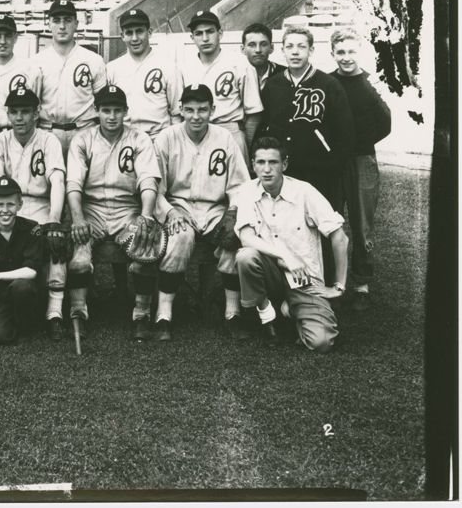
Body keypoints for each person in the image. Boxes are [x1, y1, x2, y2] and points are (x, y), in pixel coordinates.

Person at [152, 85, 250, 341]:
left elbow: (240, 184)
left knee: (234, 237)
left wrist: (233, 213)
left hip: (215, 208)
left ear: (212, 110)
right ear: (181, 110)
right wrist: (170, 212)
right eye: (190, 110)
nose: (196, 116)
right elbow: (154, 187)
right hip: (180, 207)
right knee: (180, 238)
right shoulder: (167, 137)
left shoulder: (225, 138)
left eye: (203, 110)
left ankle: (233, 312)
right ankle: (164, 314)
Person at [232, 137, 349, 352]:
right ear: (253, 165)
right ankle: (267, 314)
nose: (267, 170)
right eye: (260, 162)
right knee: (245, 256)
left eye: (273, 162)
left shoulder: (305, 191)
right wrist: (285, 256)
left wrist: (338, 287)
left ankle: (290, 310)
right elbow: (246, 237)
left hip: (304, 280)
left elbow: (339, 237)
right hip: (271, 275)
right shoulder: (247, 190)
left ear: (284, 164)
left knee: (321, 342)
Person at [66, 85, 160, 338]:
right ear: (96, 111)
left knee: (145, 250)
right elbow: (73, 184)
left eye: (118, 110)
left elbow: (148, 180)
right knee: (79, 258)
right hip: (92, 209)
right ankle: (78, 311)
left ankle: (142, 313)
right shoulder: (83, 139)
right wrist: (77, 218)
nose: (112, 116)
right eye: (106, 110)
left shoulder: (139, 138)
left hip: (127, 209)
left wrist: (146, 215)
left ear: (126, 112)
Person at [259, 24, 355, 212]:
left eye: (301, 47)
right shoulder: (273, 85)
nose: (295, 52)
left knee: (320, 221)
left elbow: (345, 132)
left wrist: (334, 164)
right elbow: (264, 125)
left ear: (311, 50)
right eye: (290, 47)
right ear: (282, 50)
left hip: (320, 170)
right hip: (283, 170)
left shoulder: (328, 84)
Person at [330, 29, 392, 310]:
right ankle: (330, 279)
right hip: (333, 162)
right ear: (333, 53)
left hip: (362, 160)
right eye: (340, 52)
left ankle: (362, 284)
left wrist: (359, 143)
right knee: (329, 220)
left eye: (351, 52)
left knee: (361, 222)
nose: (346, 58)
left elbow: (385, 123)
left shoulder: (371, 83)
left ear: (360, 52)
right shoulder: (328, 82)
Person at [177, 9, 262, 164]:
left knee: (236, 186)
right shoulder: (184, 66)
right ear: (192, 37)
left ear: (220, 33)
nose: (205, 38)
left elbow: (254, 112)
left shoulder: (239, 63)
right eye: (199, 33)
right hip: (196, 134)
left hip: (229, 130)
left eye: (210, 32)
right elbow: (180, 111)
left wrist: (245, 144)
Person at [0, 176, 45, 345]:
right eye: (0, 205)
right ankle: (8, 322)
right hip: (3, 295)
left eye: (10, 204)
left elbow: (31, 271)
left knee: (21, 287)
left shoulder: (32, 229)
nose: (5, 210)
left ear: (19, 205)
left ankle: (27, 327)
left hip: (29, 292)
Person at [32, 0, 107, 155]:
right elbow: (32, 104)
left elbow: (103, 103)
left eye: (67, 20)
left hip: (84, 130)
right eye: (56, 20)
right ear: (48, 24)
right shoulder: (36, 62)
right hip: (48, 132)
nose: (62, 26)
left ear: (76, 24)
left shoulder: (93, 59)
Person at [0, 88, 66, 225]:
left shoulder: (49, 140)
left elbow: (57, 182)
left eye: (25, 112)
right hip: (8, 208)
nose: (19, 118)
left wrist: (54, 219)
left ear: (36, 114)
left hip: (41, 208)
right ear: (8, 115)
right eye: (14, 112)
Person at [105, 8, 181, 140]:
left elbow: (176, 113)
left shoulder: (167, 66)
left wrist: (173, 142)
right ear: (122, 36)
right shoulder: (112, 68)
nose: (134, 38)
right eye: (129, 33)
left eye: (139, 31)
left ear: (149, 32)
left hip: (158, 137)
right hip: (123, 138)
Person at [241, 22, 285, 91]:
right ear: (243, 49)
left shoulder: (285, 74)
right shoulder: (236, 75)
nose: (258, 50)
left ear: (271, 48)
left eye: (263, 44)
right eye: (252, 45)